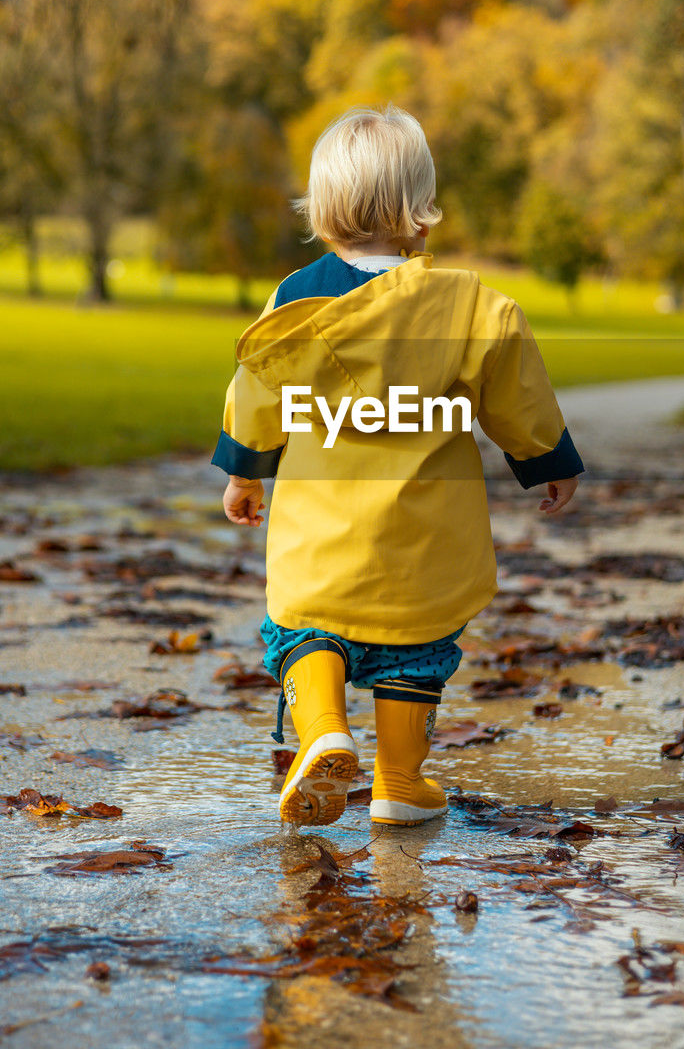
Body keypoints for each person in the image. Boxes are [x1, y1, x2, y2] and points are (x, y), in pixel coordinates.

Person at [213, 105, 584, 828]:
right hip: (421, 539)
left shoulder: (295, 302)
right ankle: (398, 783)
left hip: (318, 536)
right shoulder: (467, 306)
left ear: (322, 212)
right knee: (414, 649)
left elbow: (255, 386)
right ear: (422, 215)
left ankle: (322, 729)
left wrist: (244, 472)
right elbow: (516, 389)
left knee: (304, 629)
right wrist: (546, 462)